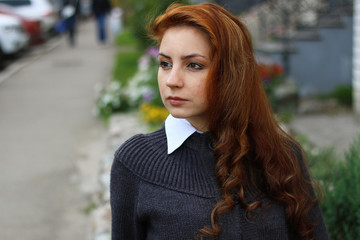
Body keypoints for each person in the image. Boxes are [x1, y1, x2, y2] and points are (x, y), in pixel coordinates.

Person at [110, 3, 329, 240]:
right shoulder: (135, 163)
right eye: (165, 63)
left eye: (194, 65)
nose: (172, 80)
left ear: (230, 73)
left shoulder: (283, 155)